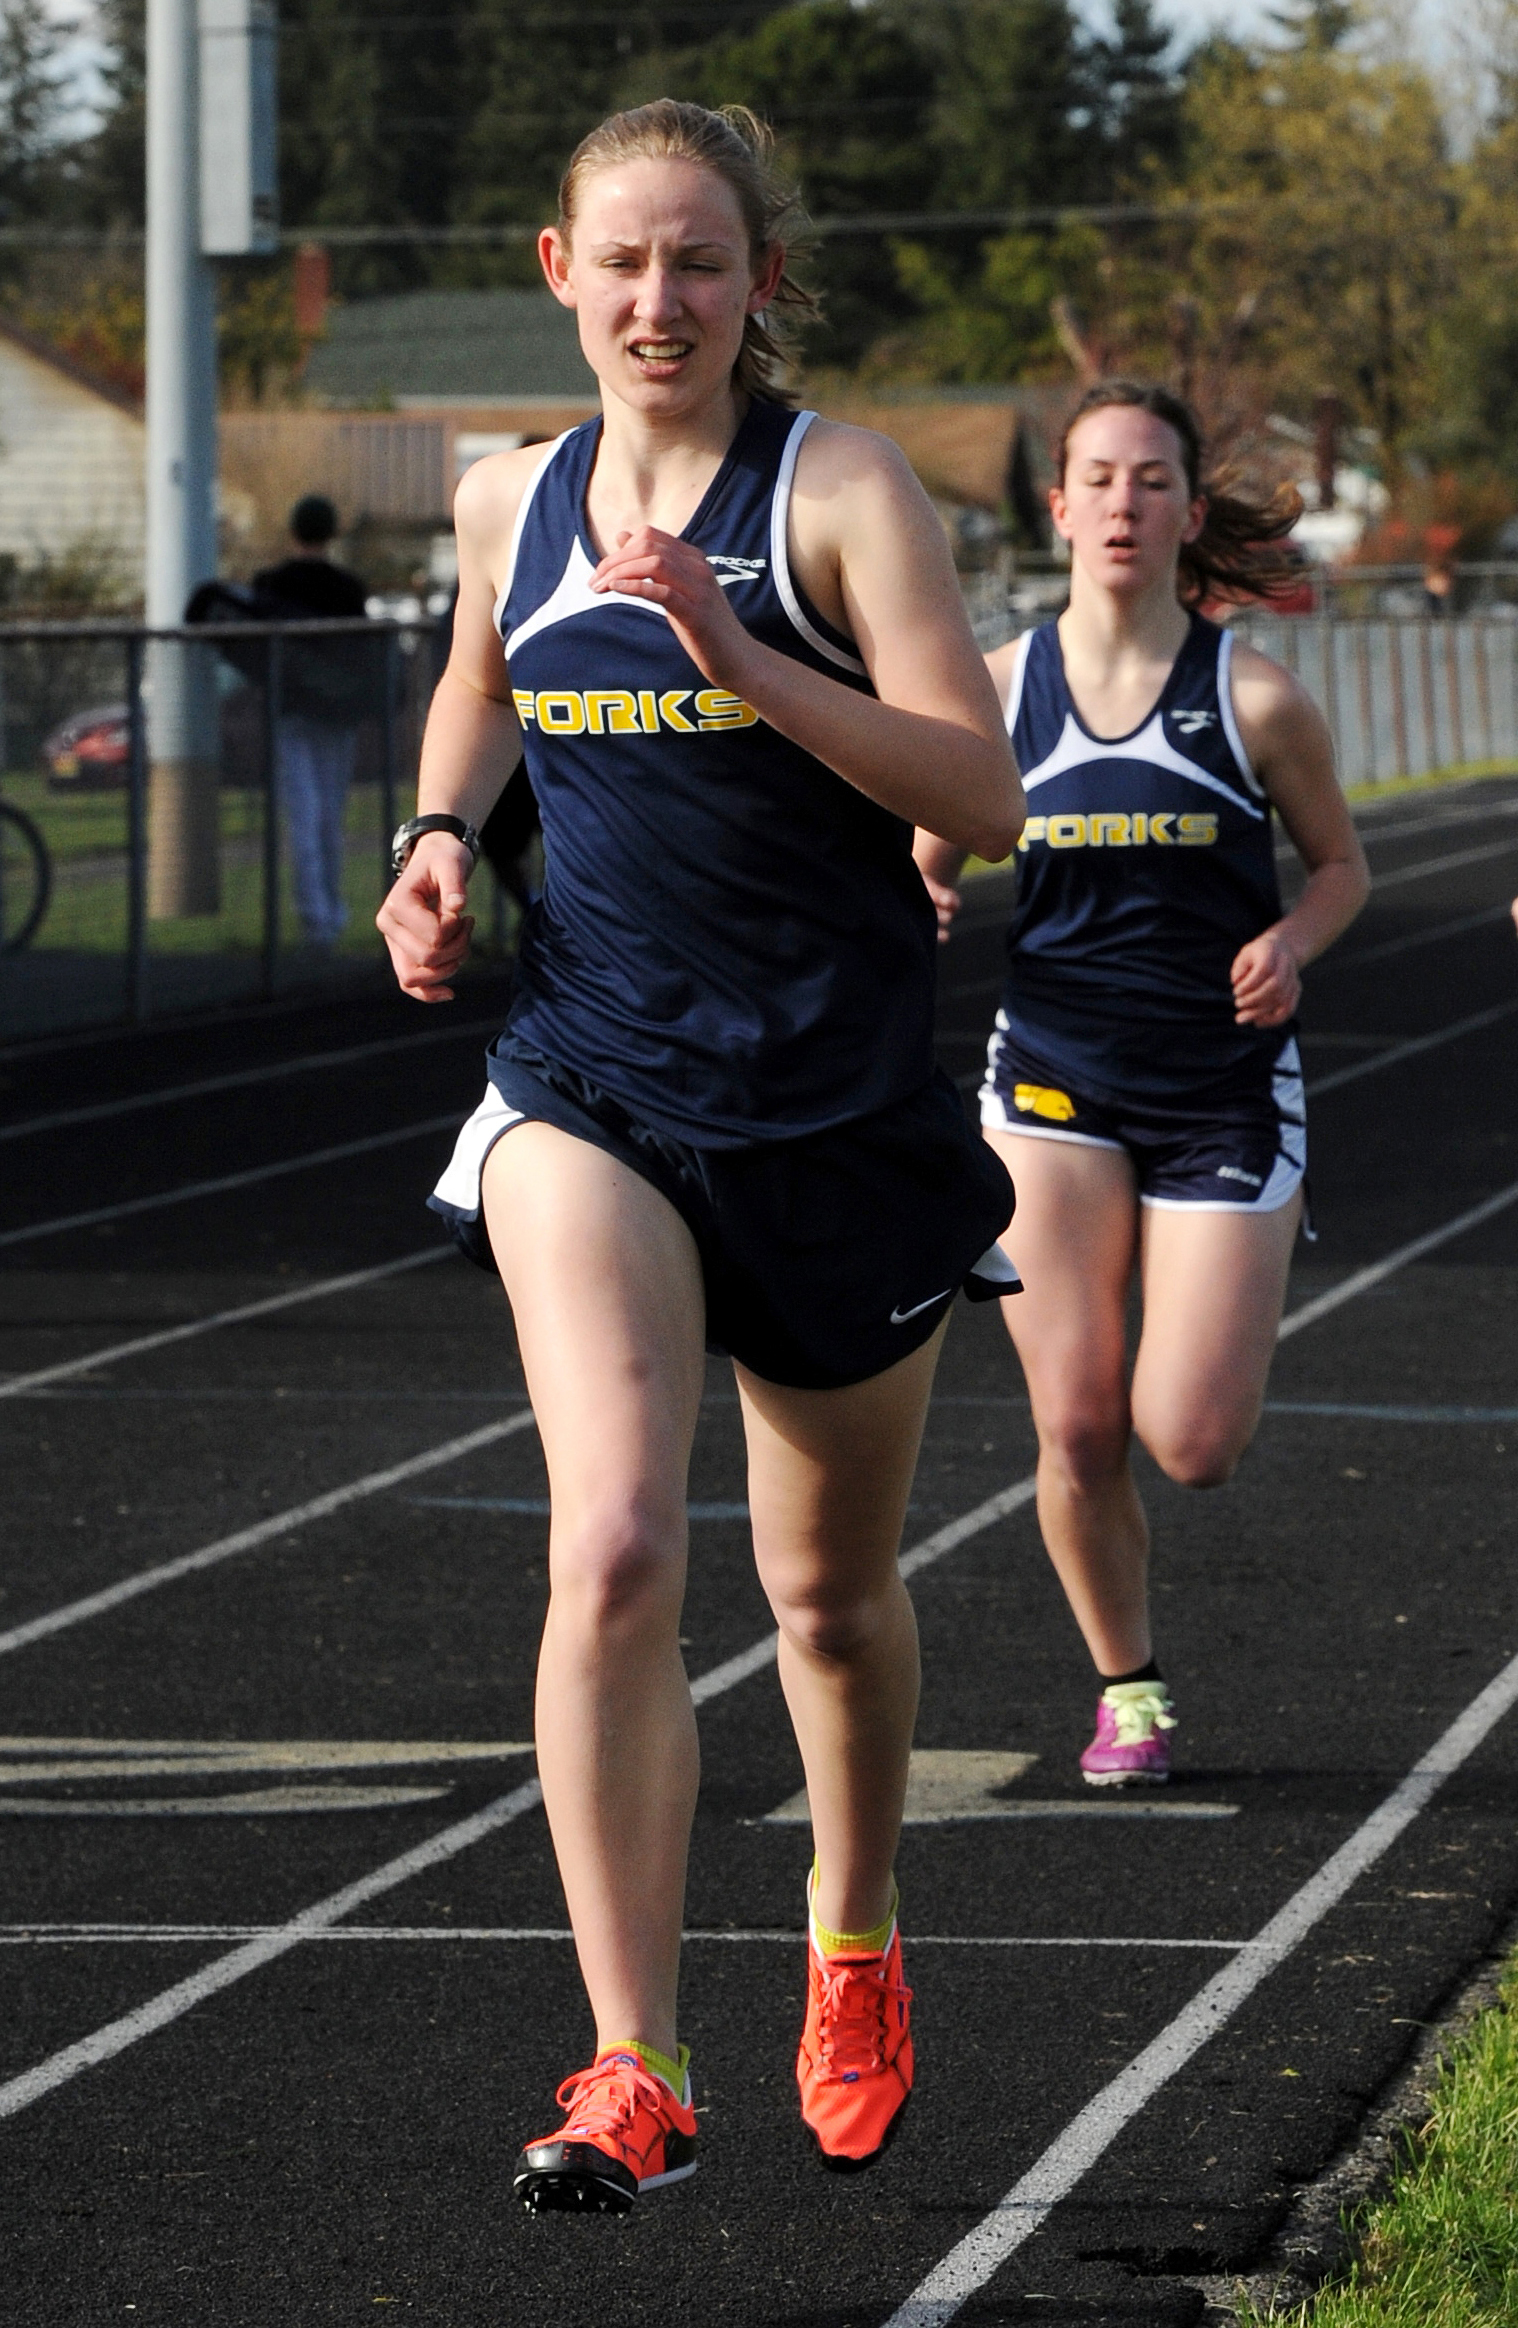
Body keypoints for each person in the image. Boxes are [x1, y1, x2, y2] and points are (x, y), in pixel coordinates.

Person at [376, 100, 1023, 2213]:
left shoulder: (835, 490)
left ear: (760, 280)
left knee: (823, 1598)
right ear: (559, 272)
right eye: (626, 262)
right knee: (619, 1545)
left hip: (833, 1114)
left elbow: (983, 796)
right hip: (593, 1087)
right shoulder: (508, 495)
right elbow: (478, 684)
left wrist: (738, 657)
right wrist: (439, 835)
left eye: (702, 263)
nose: (661, 301)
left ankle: (852, 1929)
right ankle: (632, 2059)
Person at [916, 381, 1369, 1788]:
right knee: (1073, 1419)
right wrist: (920, 889)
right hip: (1050, 1084)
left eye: (1150, 479)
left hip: (1220, 1088)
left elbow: (1342, 869)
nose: (1123, 503)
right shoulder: (996, 691)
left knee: (1192, 1441)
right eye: (1099, 479)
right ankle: (1130, 1689)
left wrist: (1289, 944)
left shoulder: (1252, 698)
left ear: (1186, 510)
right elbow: (926, 851)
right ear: (1058, 507)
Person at [255, 494, 370, 950]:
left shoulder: (273, 584)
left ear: (294, 531)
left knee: (304, 819)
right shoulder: (347, 588)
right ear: (331, 533)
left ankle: (317, 921)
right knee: (329, 819)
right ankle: (331, 914)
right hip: (335, 716)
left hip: (292, 713)